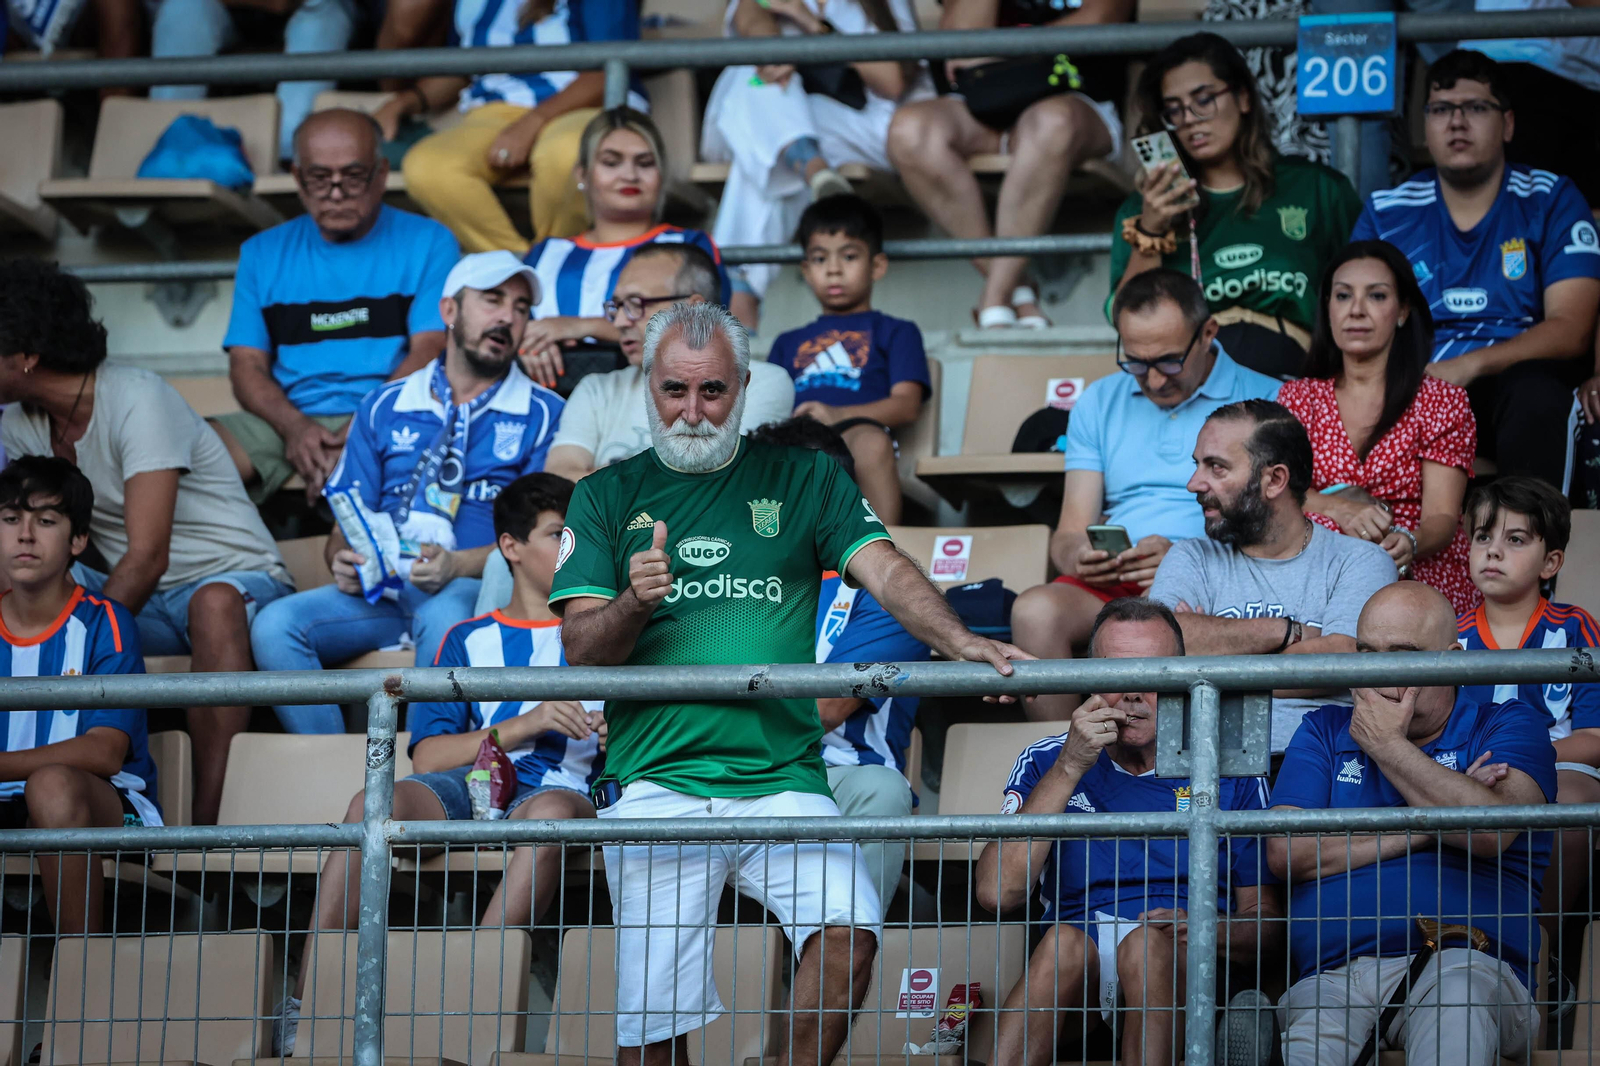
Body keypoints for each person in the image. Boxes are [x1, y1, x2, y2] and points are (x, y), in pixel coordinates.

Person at [549, 300, 1030, 1066]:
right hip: (656, 781)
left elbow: (887, 570)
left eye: (713, 392)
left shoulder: (806, 476)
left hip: (785, 777)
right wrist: (634, 603)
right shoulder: (605, 494)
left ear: (743, 387)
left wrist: (960, 637)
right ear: (648, 384)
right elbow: (581, 648)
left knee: (851, 932)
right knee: (651, 1035)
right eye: (675, 390)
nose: (694, 411)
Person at [274, 472, 601, 1054]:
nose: (573, 548)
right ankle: (308, 999)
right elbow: (428, 752)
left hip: (559, 784)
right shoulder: (467, 637)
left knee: (548, 815)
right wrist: (528, 722)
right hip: (465, 784)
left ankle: (475, 991)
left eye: (579, 536)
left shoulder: (604, 637)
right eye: (558, 534)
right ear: (511, 547)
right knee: (372, 804)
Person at [0, 260, 291, 828]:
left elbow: (148, 554)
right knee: (22, 573)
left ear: (24, 354)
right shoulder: (18, 423)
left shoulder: (137, 395)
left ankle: (206, 826)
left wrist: (80, 644)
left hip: (236, 579)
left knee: (213, 602)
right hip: (142, 601)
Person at [250, 252, 563, 734]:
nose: (508, 317)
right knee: (274, 626)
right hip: (382, 594)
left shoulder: (544, 412)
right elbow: (344, 526)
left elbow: (547, 539)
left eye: (521, 308)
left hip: (473, 591)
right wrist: (346, 560)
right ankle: (333, 775)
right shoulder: (384, 403)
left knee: (444, 617)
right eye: (493, 300)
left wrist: (457, 565)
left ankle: (424, 781)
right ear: (450, 311)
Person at [981, 597, 1280, 1066]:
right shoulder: (1048, 758)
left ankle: (1221, 1030)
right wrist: (1071, 766)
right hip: (1081, 973)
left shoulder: (1229, 764)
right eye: (1120, 673)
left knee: (1143, 946)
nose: (1136, 692)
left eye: (1154, 671)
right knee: (1062, 943)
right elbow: (998, 893)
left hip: (1192, 962)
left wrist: (1205, 931)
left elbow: (1265, 924)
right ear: (1092, 678)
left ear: (1181, 678)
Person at [1269, 581, 1556, 1066]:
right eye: (1367, 654)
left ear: (1453, 659)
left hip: (1469, 965)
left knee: (1457, 997)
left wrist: (1386, 745)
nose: (1380, 671)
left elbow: (1489, 830)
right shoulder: (1322, 729)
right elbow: (1287, 853)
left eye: (1402, 653)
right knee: (1312, 1030)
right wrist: (1432, 821)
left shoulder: (1509, 723)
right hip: (1334, 976)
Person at [1009, 269, 1280, 721]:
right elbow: (1069, 532)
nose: (1153, 380)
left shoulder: (1265, 397)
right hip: (1119, 578)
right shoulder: (1099, 400)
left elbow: (1280, 529)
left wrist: (1187, 559)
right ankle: (1059, 769)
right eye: (1135, 361)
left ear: (1208, 333)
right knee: (1035, 612)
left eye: (1169, 361)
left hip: (1222, 578)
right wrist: (1081, 556)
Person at [1350, 49, 1600, 489]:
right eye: (1442, 109)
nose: (1457, 122)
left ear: (1507, 124)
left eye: (1476, 108)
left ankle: (1529, 543)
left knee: (1537, 396)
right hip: (1416, 381)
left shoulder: (1551, 197)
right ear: (1425, 125)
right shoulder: (1387, 211)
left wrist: (1469, 366)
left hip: (1515, 377)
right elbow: (1354, 318)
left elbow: (1571, 328)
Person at [214, 109, 460, 504]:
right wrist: (295, 428)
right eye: (318, 177)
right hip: (286, 418)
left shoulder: (430, 241)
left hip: (394, 412)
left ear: (381, 173)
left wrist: (364, 430)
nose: (335, 191)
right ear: (297, 178)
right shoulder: (262, 252)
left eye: (353, 175)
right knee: (179, 459)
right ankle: (247, 559)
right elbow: (246, 367)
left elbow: (431, 351)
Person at [749, 415, 930, 906]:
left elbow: (827, 707)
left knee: (882, 790)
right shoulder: (734, 581)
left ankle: (849, 957)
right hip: (730, 766)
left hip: (838, 774)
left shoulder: (888, 588)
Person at [1148, 399, 1397, 751]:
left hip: (1319, 769)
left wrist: (1204, 657)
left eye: (1216, 468)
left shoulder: (1359, 561)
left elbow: (1341, 660)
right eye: (1197, 466)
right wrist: (1283, 632)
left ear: (1275, 479)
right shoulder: (1191, 557)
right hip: (1199, 769)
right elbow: (1155, 647)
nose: (1194, 484)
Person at [1112, 32, 1361, 380]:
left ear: (1243, 97)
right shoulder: (1142, 210)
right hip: (1187, 387)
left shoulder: (1317, 188)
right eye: (1174, 110)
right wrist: (1151, 231)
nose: (1189, 119)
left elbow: (1368, 290)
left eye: (1204, 99)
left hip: (1295, 379)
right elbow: (1127, 322)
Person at [885, 0, 1130, 329]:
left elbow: (1103, 17)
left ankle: (995, 298)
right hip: (990, 100)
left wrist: (1008, 50)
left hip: (1080, 97)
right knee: (910, 132)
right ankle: (1018, 289)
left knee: (1049, 123)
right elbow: (959, 38)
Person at [0, 456, 161, 935]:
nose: (25, 535)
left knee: (52, 784)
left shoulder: (105, 622)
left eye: (46, 521)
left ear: (77, 541)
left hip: (108, 808)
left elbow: (105, 751)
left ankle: (79, 977)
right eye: (10, 520)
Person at [700, 0, 928, 329]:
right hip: (777, 106)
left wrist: (809, 22)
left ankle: (737, 303)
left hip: (860, 126)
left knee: (770, 153)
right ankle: (815, 169)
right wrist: (775, 50)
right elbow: (750, 16)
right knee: (752, 78)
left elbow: (890, 82)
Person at [1279, 240, 1478, 614]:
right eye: (1342, 296)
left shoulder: (1441, 400)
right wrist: (1338, 509)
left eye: (1376, 296)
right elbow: (1274, 492)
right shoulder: (1297, 399)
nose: (1356, 310)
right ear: (1328, 308)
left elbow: (1441, 518)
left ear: (1403, 310)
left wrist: (1409, 541)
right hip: (1315, 570)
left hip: (1417, 569)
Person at [388, 0, 649, 254]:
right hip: (494, 111)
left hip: (587, 105)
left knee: (565, 154)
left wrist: (532, 123)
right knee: (428, 166)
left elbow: (606, 71)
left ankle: (558, 258)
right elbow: (463, 68)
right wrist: (404, 103)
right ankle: (523, 269)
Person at [1455, 476, 1600, 928]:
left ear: (1551, 562)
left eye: (1514, 539)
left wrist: (1529, 760)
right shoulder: (1450, 637)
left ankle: (1544, 951)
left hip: (1560, 767)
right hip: (1471, 768)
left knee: (1574, 805)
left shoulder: (1575, 630)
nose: (1493, 551)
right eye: (1483, 537)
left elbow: (1595, 737)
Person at [537, 243, 794, 483]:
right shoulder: (597, 389)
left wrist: (608, 480)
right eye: (617, 306)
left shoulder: (761, 381)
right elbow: (559, 480)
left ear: (694, 308)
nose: (619, 323)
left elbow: (721, 477)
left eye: (636, 304)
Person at [516, 109, 728, 388]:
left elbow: (710, 333)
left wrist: (583, 326)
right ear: (583, 174)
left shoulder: (688, 245)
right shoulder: (545, 253)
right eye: (611, 162)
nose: (629, 175)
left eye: (645, 163)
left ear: (661, 175)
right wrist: (526, 346)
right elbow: (512, 330)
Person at [767, 196, 930, 526]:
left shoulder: (896, 331)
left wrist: (838, 415)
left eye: (850, 256)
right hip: (797, 437)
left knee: (871, 443)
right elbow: (769, 406)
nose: (833, 269)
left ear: (877, 266)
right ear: (806, 270)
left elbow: (906, 405)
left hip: (856, 433)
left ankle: (884, 564)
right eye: (819, 258)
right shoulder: (786, 341)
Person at [148, 0, 359, 164]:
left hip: (316, 11)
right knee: (182, 10)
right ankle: (163, 153)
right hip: (226, 11)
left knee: (317, 18)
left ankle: (285, 159)